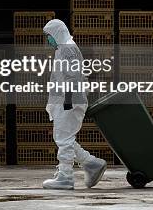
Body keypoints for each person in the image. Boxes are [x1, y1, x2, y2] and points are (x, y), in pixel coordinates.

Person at [42, 19, 107, 190]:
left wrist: (68, 100)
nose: (48, 39)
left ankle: (65, 177)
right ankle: (91, 163)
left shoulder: (67, 48)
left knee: (64, 139)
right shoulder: (62, 48)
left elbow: (72, 76)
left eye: (49, 36)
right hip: (65, 100)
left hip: (69, 100)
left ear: (56, 33)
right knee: (64, 138)